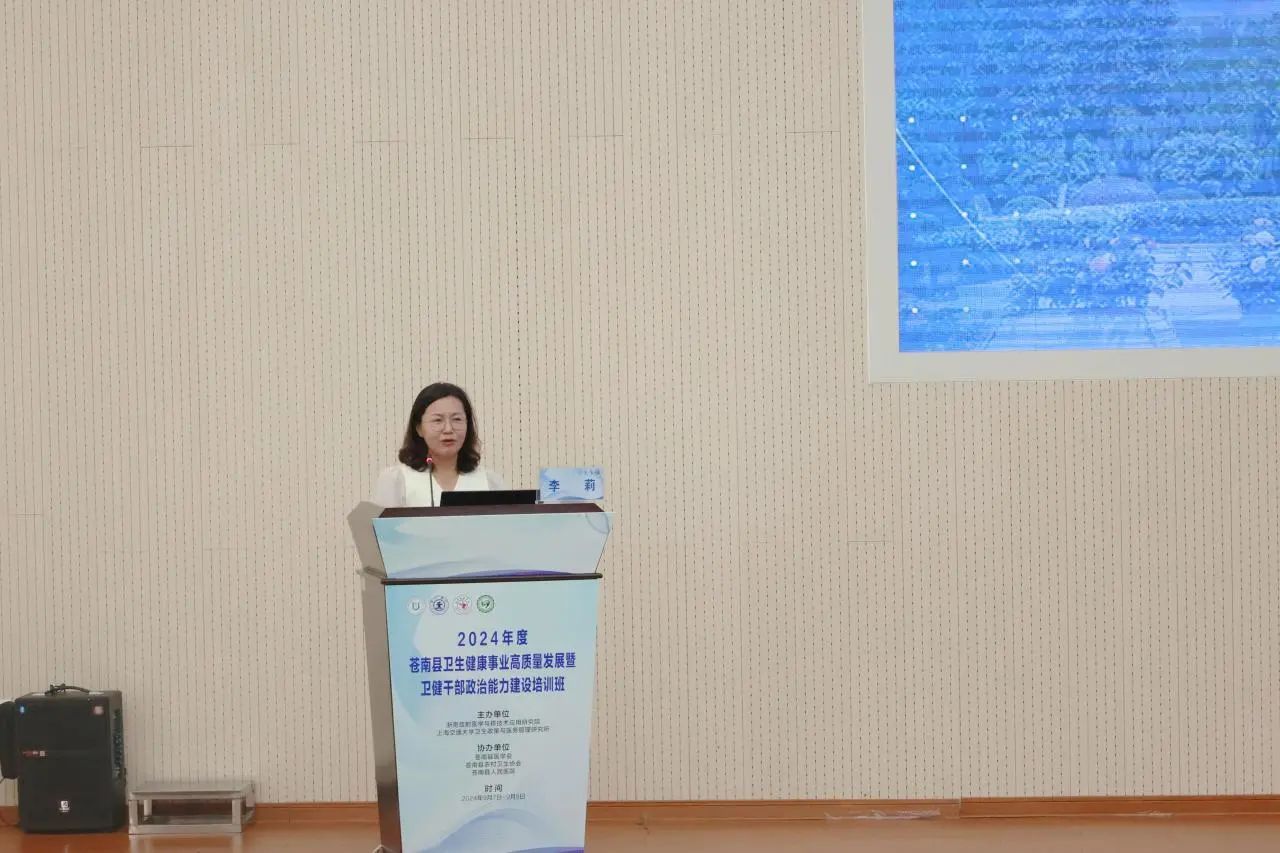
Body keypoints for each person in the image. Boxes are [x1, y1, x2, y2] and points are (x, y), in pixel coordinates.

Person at [372, 382, 506, 507]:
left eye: (457, 419)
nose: (448, 429)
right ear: (419, 428)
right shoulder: (396, 481)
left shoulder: (490, 482)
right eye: (437, 420)